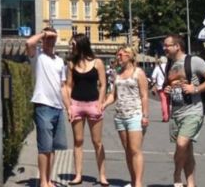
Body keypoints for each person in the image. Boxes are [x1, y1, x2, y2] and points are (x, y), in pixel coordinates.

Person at [162, 34, 205, 187]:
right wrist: (167, 89)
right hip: (177, 112)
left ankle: (176, 175)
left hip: (193, 110)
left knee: (181, 144)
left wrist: (196, 89)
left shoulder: (193, 61)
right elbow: (168, 85)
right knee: (187, 150)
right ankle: (191, 183)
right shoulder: (169, 64)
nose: (164, 48)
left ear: (177, 46)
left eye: (167, 45)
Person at [63, 33, 108, 185]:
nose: (71, 47)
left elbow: (103, 84)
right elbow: (69, 86)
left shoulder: (97, 63)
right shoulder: (71, 64)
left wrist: (101, 103)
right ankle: (78, 175)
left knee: (97, 142)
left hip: (93, 103)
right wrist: (69, 106)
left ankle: (102, 175)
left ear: (81, 45)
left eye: (73, 45)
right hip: (76, 104)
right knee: (78, 141)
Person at [26, 27, 67, 187]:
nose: (50, 41)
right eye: (47, 39)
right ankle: (43, 182)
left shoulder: (59, 61)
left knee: (53, 147)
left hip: (57, 107)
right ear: (43, 40)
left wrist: (68, 106)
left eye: (52, 38)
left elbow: (62, 86)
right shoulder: (37, 56)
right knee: (44, 147)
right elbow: (29, 42)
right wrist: (44, 34)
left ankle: (49, 179)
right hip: (43, 105)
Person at [103, 46, 149, 187]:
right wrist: (104, 104)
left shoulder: (138, 73)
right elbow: (113, 95)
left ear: (130, 56)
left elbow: (144, 95)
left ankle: (138, 183)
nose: (118, 57)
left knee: (135, 150)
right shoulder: (117, 73)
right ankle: (133, 180)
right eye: (118, 55)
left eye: (121, 54)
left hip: (135, 114)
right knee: (128, 150)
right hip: (120, 115)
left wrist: (145, 115)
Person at [151, 56, 170, 122]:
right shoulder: (169, 66)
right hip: (169, 86)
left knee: (163, 101)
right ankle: (169, 115)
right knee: (168, 101)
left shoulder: (158, 68)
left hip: (161, 87)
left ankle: (165, 117)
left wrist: (154, 82)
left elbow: (153, 76)